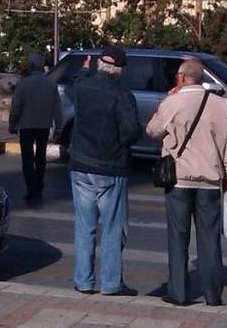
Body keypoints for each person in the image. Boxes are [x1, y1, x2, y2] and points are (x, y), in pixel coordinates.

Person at [146, 60, 227, 307]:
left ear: (181, 77)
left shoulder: (172, 102)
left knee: (178, 237)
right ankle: (212, 295)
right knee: (210, 239)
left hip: (179, 179)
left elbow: (152, 130)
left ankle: (178, 292)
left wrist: (164, 106)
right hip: (210, 180)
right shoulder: (220, 105)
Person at [68, 45, 141, 296]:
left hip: (80, 166)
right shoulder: (122, 95)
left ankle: (83, 281)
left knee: (84, 227)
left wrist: (83, 70)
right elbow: (130, 133)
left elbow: (74, 84)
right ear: (119, 70)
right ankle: (110, 284)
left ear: (99, 65)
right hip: (111, 168)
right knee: (112, 229)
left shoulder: (82, 88)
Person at [8, 53, 61, 200]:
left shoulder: (23, 84)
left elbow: (16, 107)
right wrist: (59, 128)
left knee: (27, 159)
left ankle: (31, 188)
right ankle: (39, 185)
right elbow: (57, 107)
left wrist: (12, 124)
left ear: (30, 66)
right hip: (44, 125)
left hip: (26, 126)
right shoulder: (50, 83)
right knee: (40, 157)